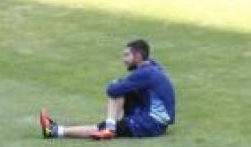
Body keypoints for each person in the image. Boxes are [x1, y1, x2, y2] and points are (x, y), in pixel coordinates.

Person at [39, 39, 175, 140]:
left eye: (127, 55)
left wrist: (115, 84)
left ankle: (54, 132)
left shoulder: (146, 73)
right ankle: (109, 127)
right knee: (121, 90)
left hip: (151, 123)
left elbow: (112, 91)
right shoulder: (152, 68)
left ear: (138, 56)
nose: (124, 60)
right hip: (152, 119)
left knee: (105, 118)